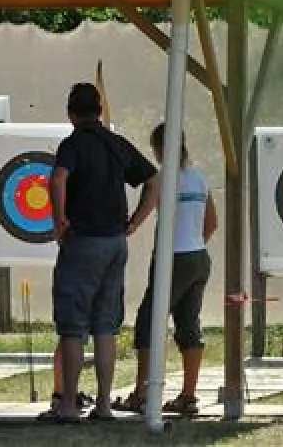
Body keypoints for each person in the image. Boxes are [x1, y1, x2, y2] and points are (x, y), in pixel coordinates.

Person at [47, 83, 159, 422]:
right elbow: (153, 180)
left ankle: (67, 404)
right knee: (105, 326)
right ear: (99, 110)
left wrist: (59, 220)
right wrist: (136, 221)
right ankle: (105, 404)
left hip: (83, 242)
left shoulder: (73, 144)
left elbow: (57, 179)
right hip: (115, 243)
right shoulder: (116, 143)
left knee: (72, 325)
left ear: (70, 113)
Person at [113, 124, 217, 416]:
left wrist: (129, 226)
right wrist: (192, 244)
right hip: (198, 257)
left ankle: (142, 393)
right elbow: (212, 223)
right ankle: (188, 395)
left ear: (159, 149)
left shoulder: (161, 178)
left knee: (148, 322)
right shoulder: (199, 177)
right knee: (189, 325)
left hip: (173, 259)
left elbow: (144, 211)